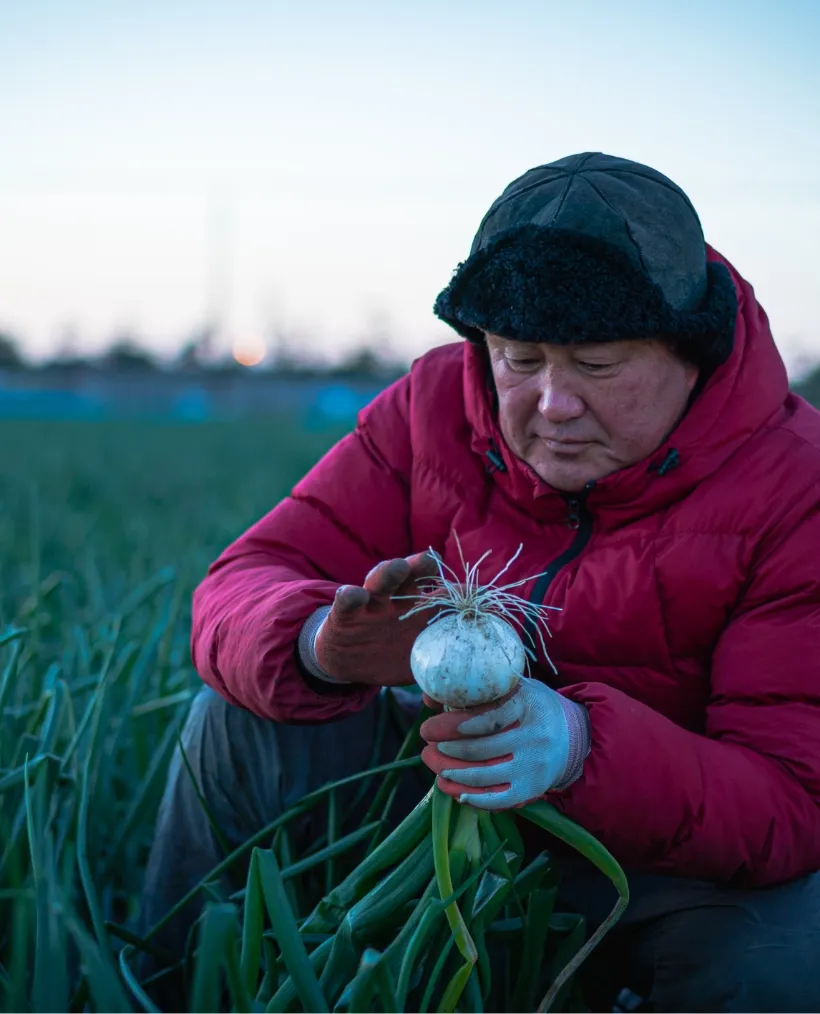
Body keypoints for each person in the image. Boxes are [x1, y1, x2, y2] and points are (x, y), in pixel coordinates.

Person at [139, 152, 820, 1012]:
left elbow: (794, 798)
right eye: (519, 358)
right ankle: (162, 990)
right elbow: (242, 580)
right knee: (238, 718)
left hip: (653, 857)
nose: (552, 402)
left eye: (597, 366)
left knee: (787, 949)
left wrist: (580, 746)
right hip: (434, 797)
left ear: (693, 353)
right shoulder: (431, 411)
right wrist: (319, 644)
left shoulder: (799, 484)